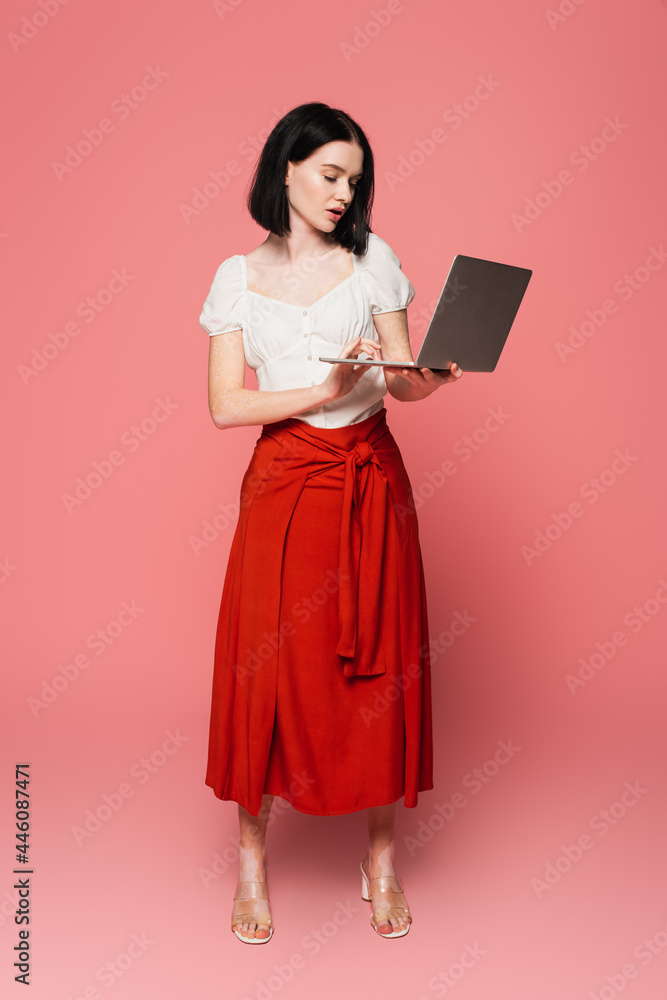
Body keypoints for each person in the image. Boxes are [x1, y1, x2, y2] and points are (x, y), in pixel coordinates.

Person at [198, 101, 463, 944]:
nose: (344, 192)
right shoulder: (236, 276)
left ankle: (379, 862)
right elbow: (225, 405)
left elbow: (398, 382)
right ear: (286, 169)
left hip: (370, 478)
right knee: (265, 668)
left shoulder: (374, 260)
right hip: (284, 484)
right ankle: (250, 861)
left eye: (354, 180)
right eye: (329, 174)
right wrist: (318, 390)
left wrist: (427, 378)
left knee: (379, 665)